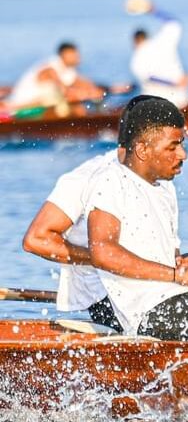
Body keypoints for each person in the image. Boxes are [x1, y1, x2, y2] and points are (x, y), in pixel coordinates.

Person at [87, 97, 188, 339]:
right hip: (142, 311)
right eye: (173, 147)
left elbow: (165, 256)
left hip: (169, 294)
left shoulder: (165, 188)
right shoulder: (111, 181)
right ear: (143, 150)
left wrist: (182, 262)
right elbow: (103, 252)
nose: (183, 154)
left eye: (182, 144)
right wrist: (176, 275)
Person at [21, 96, 162, 331]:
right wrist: (105, 258)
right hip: (107, 297)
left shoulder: (159, 180)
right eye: (172, 143)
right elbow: (37, 240)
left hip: (148, 288)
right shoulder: (87, 177)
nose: (181, 154)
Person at [129, 0, 188, 109]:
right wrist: (152, 9)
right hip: (181, 99)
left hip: (156, 104)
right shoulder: (162, 42)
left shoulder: (136, 59)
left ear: (135, 42)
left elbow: (149, 77)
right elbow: (174, 23)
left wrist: (173, 83)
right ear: (147, 37)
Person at [3, 42, 107, 114]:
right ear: (64, 55)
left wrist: (97, 91)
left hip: (41, 104)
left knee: (76, 101)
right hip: (20, 106)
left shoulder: (69, 71)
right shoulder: (50, 68)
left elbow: (83, 83)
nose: (78, 57)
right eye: (74, 54)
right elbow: (65, 90)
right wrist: (86, 94)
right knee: (70, 100)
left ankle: (90, 119)